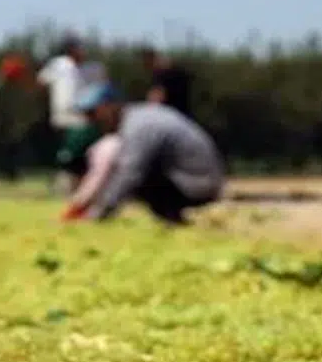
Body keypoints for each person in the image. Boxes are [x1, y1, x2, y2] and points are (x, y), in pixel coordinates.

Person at [62, 82, 225, 225]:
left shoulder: (138, 127)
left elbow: (129, 175)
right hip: (196, 178)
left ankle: (172, 218)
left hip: (197, 183)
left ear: (109, 106)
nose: (91, 121)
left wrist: (96, 215)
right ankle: (174, 220)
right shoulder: (139, 117)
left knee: (130, 176)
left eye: (92, 113)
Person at [36, 36, 90, 193]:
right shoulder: (59, 64)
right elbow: (41, 82)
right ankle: (65, 185)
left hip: (81, 117)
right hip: (63, 116)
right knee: (67, 153)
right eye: (79, 48)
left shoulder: (88, 69)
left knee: (79, 154)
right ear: (71, 49)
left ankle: (77, 186)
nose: (82, 52)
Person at [139, 46, 193, 117]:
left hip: (171, 116)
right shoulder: (174, 72)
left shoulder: (162, 75)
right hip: (180, 116)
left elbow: (156, 99)